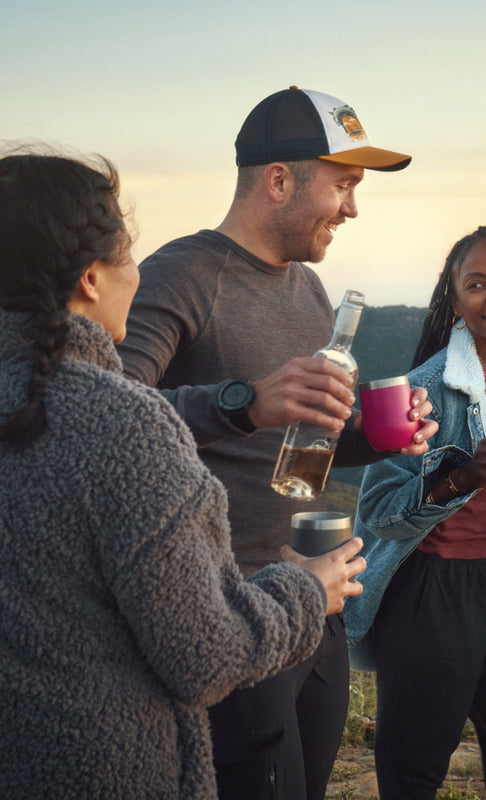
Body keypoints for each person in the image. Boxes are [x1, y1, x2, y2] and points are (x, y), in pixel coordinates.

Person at [0, 151, 365, 799]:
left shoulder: (306, 289)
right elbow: (206, 657)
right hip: (112, 766)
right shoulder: (123, 420)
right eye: (127, 252)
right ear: (90, 278)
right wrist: (307, 588)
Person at [116, 86, 436, 800]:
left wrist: (381, 438)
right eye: (344, 185)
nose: (353, 207)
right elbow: (109, 414)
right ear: (279, 180)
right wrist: (241, 403)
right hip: (227, 611)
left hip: (315, 603)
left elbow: (302, 438)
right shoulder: (184, 275)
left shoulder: (308, 293)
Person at [343, 226, 486, 800]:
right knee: (416, 764)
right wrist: (463, 476)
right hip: (436, 592)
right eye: (476, 284)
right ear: (454, 301)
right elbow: (378, 512)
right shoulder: (426, 390)